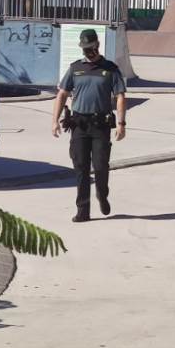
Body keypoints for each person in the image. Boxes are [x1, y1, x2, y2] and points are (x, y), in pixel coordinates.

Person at [52, 29, 127, 222]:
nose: (88, 52)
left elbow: (120, 96)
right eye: (85, 49)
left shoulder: (110, 69)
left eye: (91, 48)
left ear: (97, 45)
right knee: (81, 168)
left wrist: (121, 123)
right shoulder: (75, 68)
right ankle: (82, 210)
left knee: (101, 166)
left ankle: (102, 194)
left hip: (100, 125)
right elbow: (62, 94)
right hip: (79, 125)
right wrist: (55, 120)